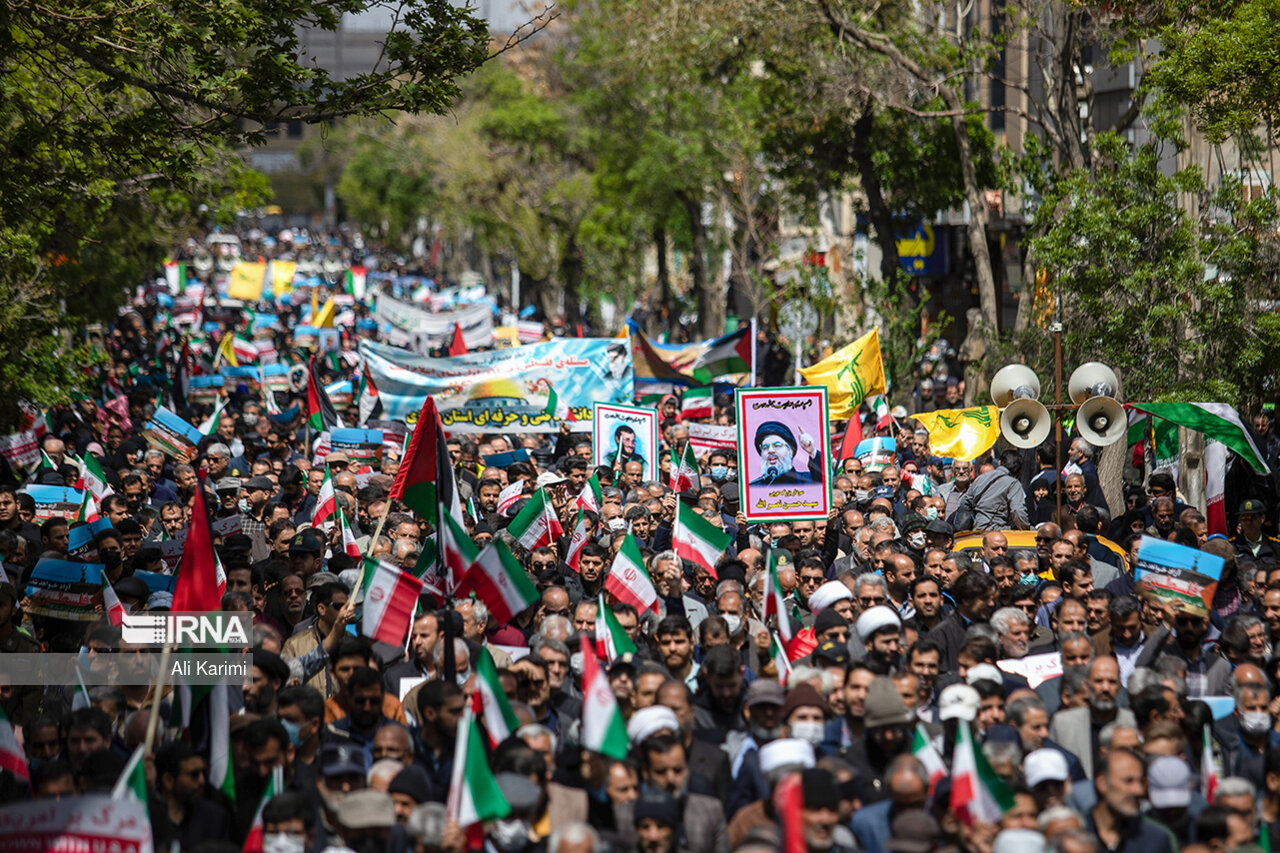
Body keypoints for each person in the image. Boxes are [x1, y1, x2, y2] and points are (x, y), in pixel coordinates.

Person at [749, 421, 823, 485]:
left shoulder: (810, 480)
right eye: (765, 447)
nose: (770, 450)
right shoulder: (754, 487)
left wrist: (812, 452)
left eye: (777, 445)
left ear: (790, 451)